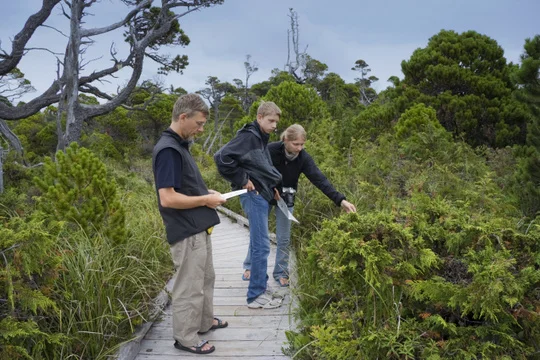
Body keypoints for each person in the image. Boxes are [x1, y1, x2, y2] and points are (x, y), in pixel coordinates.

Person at [152, 93, 228, 355]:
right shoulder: (168, 150)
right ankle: (185, 337)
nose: (201, 129)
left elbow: (184, 186)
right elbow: (168, 197)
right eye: (198, 123)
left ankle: (204, 323)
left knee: (206, 279)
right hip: (185, 230)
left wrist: (206, 192)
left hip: (198, 226)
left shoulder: (181, 146)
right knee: (189, 285)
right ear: (182, 117)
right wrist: (206, 199)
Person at [242, 124, 357, 287]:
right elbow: (252, 168)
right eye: (296, 144)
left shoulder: (303, 158)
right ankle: (250, 267)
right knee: (259, 234)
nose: (299, 148)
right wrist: (266, 188)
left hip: (285, 200)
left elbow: (320, 180)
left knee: (284, 237)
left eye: (302, 144)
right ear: (285, 140)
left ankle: (281, 272)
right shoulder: (270, 150)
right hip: (264, 195)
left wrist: (341, 200)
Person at [214, 101, 284, 309]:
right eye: (270, 121)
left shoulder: (260, 137)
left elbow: (259, 167)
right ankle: (255, 296)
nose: (274, 126)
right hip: (252, 195)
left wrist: (271, 187)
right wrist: (243, 179)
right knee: (262, 245)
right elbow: (221, 157)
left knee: (259, 243)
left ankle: (260, 285)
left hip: (261, 193)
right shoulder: (249, 136)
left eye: (276, 123)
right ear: (259, 117)